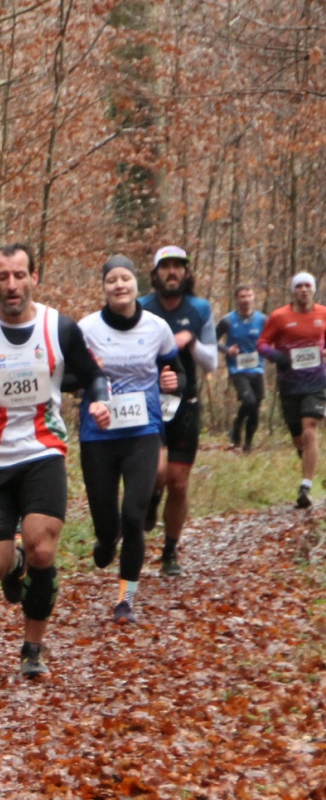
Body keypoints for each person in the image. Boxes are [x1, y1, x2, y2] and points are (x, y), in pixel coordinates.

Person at [0, 243, 108, 676]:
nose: (12, 285)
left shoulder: (59, 328)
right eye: (2, 277)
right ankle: (15, 563)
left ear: (34, 279)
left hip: (43, 453)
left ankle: (33, 650)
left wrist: (101, 401)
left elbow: (93, 374)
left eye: (19, 275)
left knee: (42, 547)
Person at [78, 256, 179, 624]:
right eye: (112, 280)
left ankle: (126, 601)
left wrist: (172, 382)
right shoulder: (86, 329)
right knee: (107, 526)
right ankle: (107, 539)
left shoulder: (157, 327)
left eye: (125, 278)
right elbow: (68, 377)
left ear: (137, 284)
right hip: (98, 435)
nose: (119, 285)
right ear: (104, 288)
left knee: (134, 516)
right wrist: (90, 380)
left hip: (143, 432)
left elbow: (177, 374)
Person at [139, 246, 218, 576]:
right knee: (156, 471)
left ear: (186, 273)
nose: (171, 272)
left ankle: (170, 551)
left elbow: (212, 363)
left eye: (177, 266)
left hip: (186, 404)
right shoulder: (142, 307)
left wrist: (191, 341)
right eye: (165, 266)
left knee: (179, 483)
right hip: (147, 402)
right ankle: (152, 496)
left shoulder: (199, 309)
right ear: (155, 274)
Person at [257, 272, 326, 510]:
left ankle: (305, 486)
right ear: (293, 291)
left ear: (313, 289)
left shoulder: (323, 313)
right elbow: (262, 344)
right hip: (290, 384)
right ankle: (308, 463)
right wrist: (277, 356)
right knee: (299, 439)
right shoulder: (280, 316)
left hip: (317, 381)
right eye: (299, 286)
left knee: (310, 429)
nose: (304, 290)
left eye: (308, 285)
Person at [218, 285, 267, 453]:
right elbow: (211, 340)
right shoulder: (227, 320)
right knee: (249, 401)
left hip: (257, 369)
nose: (246, 300)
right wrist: (227, 350)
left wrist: (268, 349)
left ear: (254, 297)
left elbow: (271, 339)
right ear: (237, 299)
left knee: (255, 408)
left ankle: (248, 445)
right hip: (237, 370)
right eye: (242, 296)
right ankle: (237, 423)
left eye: (249, 295)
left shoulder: (262, 320)